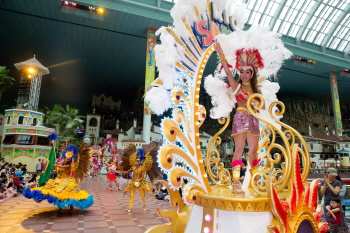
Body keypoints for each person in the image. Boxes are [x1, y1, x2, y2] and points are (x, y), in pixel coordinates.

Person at [215, 42, 263, 194]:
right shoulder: (237, 86)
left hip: (254, 119)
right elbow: (228, 73)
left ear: (252, 73)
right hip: (241, 117)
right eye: (241, 71)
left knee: (254, 152)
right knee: (240, 149)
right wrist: (221, 54)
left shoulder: (257, 90)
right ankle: (235, 183)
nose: (243, 74)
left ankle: (255, 181)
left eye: (247, 71)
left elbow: (261, 106)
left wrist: (256, 103)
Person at [23, 144, 94, 211]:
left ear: (69, 160)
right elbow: (59, 170)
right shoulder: (63, 164)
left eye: (67, 159)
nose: (65, 160)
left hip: (67, 181)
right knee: (51, 187)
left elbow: (62, 167)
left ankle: (71, 206)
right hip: (60, 179)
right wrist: (56, 166)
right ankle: (61, 206)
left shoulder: (69, 166)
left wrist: (56, 165)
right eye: (65, 159)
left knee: (65, 193)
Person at [118, 144, 161, 213]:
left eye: (136, 162)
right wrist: (120, 171)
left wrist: (138, 180)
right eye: (135, 161)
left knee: (142, 195)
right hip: (133, 183)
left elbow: (142, 176)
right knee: (131, 196)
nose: (135, 162)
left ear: (139, 163)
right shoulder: (133, 168)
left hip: (140, 183)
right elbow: (126, 172)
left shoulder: (142, 168)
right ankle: (130, 207)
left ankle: (144, 205)